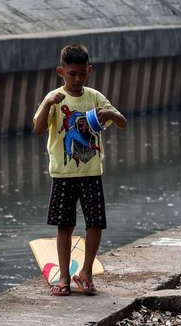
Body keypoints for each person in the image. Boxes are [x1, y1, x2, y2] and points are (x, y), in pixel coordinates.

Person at [33, 44, 127, 296]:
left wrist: (106, 111)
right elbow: (39, 129)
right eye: (71, 73)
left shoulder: (95, 97)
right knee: (64, 226)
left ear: (89, 70)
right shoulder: (53, 97)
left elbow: (122, 122)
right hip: (63, 174)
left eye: (82, 74)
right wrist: (47, 104)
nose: (77, 79)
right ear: (60, 71)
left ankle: (85, 272)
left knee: (95, 223)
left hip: (91, 171)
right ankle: (63, 277)